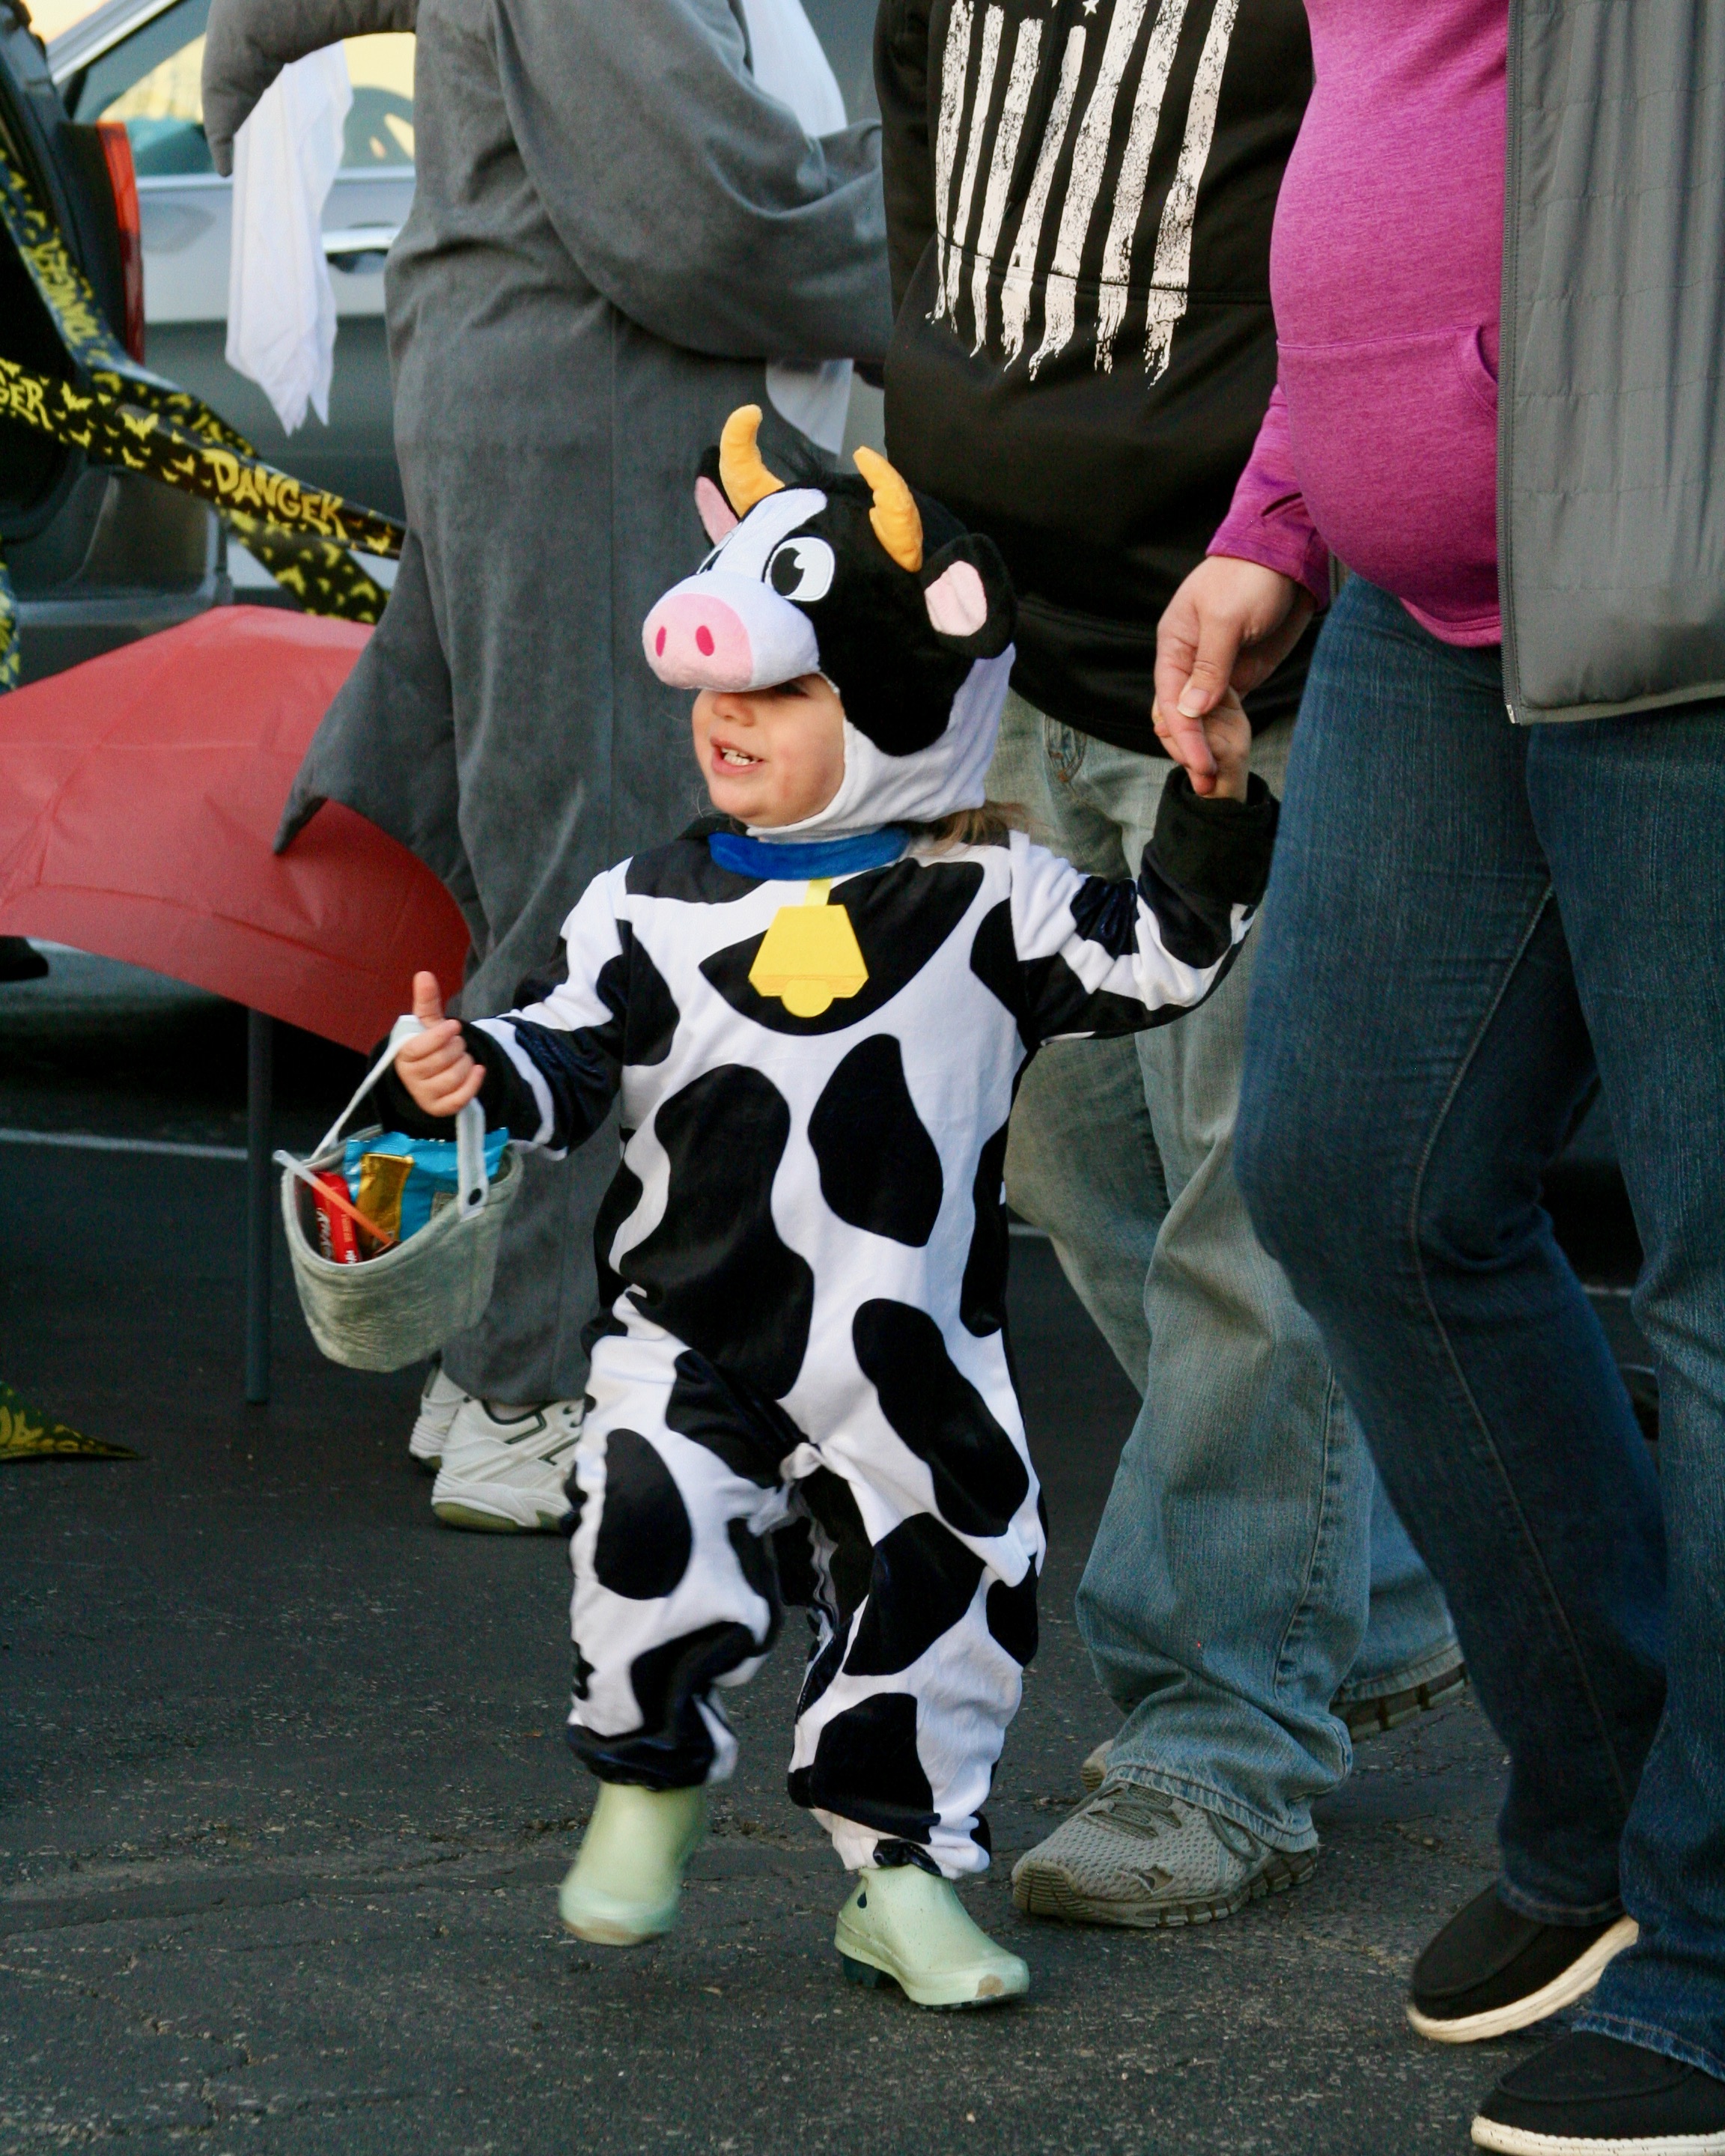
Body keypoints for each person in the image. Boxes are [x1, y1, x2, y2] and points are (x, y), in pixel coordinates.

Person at [376, 409, 1279, 2007]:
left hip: (910, 1351)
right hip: (690, 1337)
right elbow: (566, 1053)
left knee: (950, 1581)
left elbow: (1167, 951)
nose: (732, 718)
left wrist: (1208, 809)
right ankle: (648, 1778)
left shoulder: (990, 895)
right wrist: (474, 1070)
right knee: (647, 1537)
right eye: (723, 690)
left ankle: (903, 1870)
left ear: (902, 706)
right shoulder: (644, 904)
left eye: (786, 691)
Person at [1154, 1, 1725, 2147]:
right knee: (1354, 1177)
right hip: (1426, 588)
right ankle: (1607, 1792)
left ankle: (1716, 1944)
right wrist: (1282, 507)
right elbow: (1404, 123)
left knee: (1717, 1283)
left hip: (1675, 547)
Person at [871, 0, 1461, 1927]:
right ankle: (1352, 1594)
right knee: (1066, 1160)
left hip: (1250, 650)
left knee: (1244, 1208)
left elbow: (1401, 206)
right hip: (1007, 659)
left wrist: (1308, 536)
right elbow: (921, 209)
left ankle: (1219, 1731)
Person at [201, 0, 890, 1532]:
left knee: (567, 894)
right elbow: (707, 223)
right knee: (602, 901)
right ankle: (521, 1388)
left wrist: (245, 56)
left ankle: (496, 1364)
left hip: (529, 398)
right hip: (581, 420)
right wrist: (956, 223)